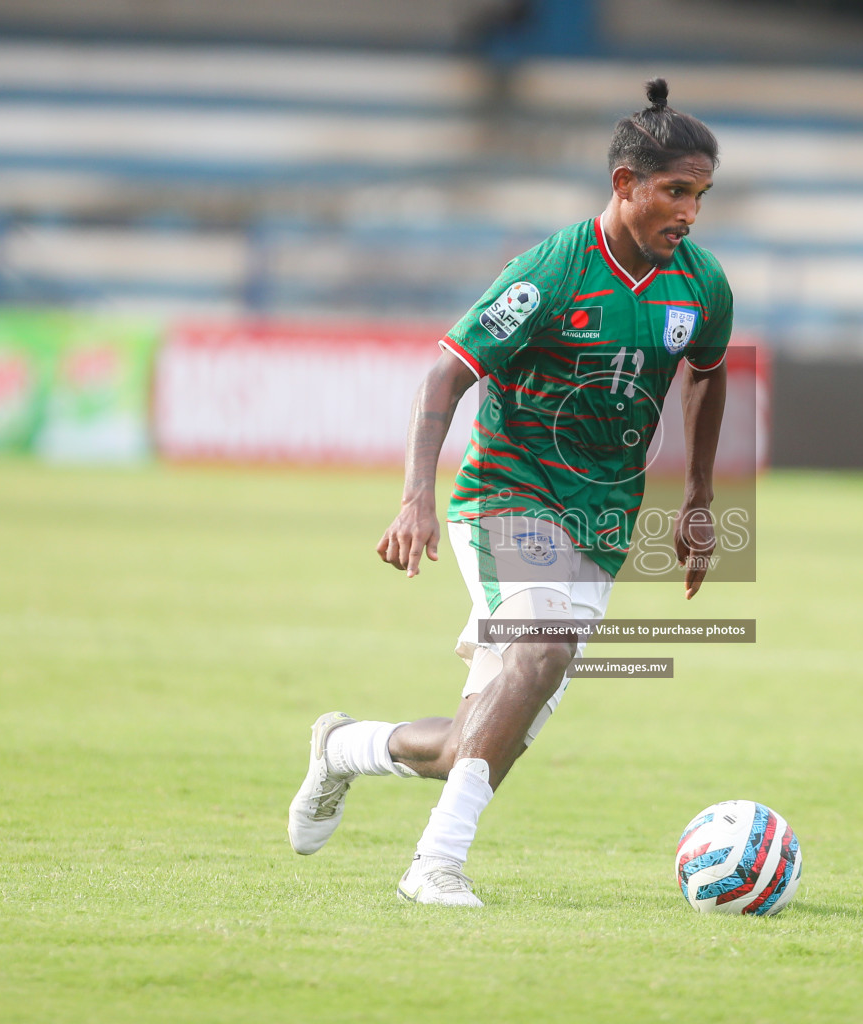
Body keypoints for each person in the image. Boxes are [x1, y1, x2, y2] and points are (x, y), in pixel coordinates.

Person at [287, 78, 732, 906]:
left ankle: (345, 748)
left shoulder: (701, 286)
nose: (690, 213)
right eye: (676, 192)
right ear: (625, 183)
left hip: (602, 523)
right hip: (507, 495)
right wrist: (417, 495)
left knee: (477, 742)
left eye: (701, 196)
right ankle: (435, 867)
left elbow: (708, 376)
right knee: (542, 647)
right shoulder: (552, 273)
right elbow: (445, 375)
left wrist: (700, 500)